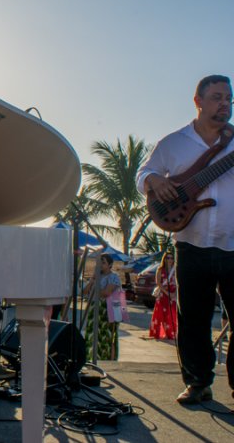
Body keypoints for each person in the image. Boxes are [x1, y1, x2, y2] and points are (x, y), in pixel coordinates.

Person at [136, 74, 234, 405]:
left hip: (233, 243)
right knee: (193, 318)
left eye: (229, 98)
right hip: (191, 242)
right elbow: (142, 173)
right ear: (198, 102)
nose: (225, 104)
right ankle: (197, 383)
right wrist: (153, 181)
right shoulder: (173, 143)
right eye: (217, 97)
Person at [83, 254, 122, 360]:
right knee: (92, 334)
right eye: (98, 262)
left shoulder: (113, 277)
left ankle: (107, 359)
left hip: (106, 310)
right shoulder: (96, 277)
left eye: (103, 262)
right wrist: (92, 280)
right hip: (94, 309)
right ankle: (91, 357)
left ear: (110, 265)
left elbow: (106, 293)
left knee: (106, 336)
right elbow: (84, 292)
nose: (100, 265)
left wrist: (95, 289)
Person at [149, 252, 177, 340]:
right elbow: (158, 283)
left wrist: (174, 293)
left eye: (171, 258)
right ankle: (157, 332)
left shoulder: (175, 269)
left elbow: (178, 283)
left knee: (172, 314)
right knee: (160, 314)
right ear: (164, 259)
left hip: (173, 294)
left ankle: (171, 333)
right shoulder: (160, 269)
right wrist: (166, 293)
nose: (170, 260)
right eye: (168, 258)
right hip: (163, 294)